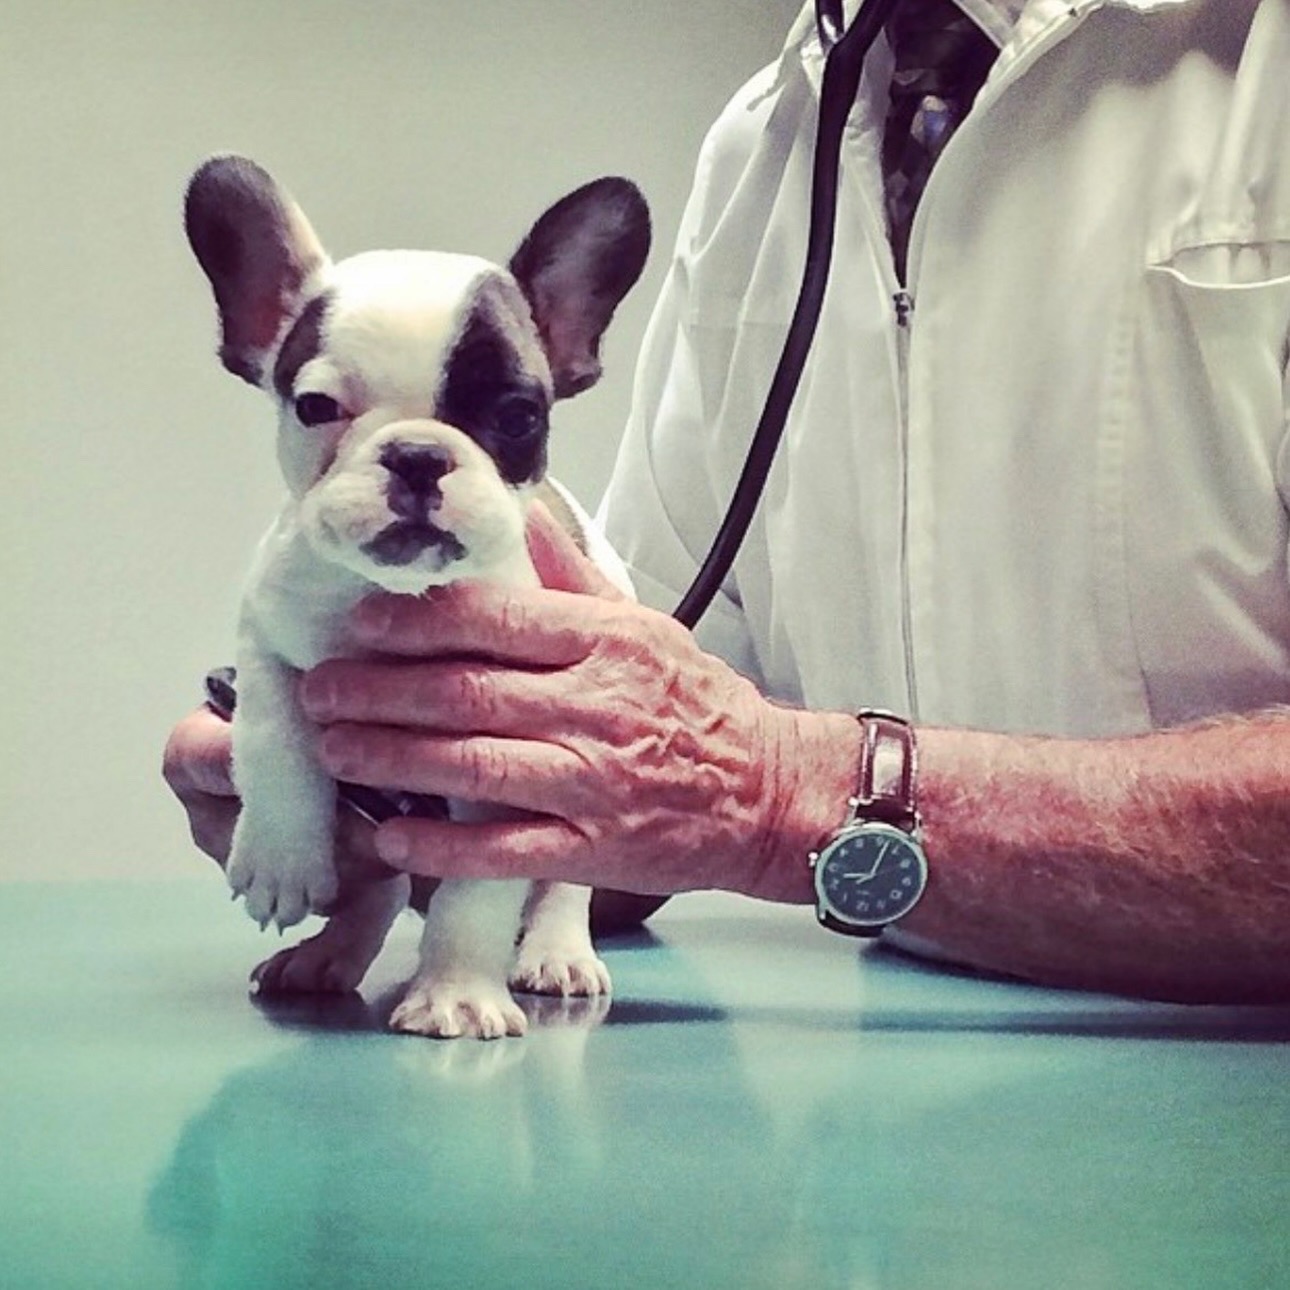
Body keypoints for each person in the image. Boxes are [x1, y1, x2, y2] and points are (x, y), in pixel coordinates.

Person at [164, 0, 1290, 1004]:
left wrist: (788, 796)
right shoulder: (768, 138)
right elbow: (644, 773)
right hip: (883, 1033)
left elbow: (737, 789)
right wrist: (376, 799)